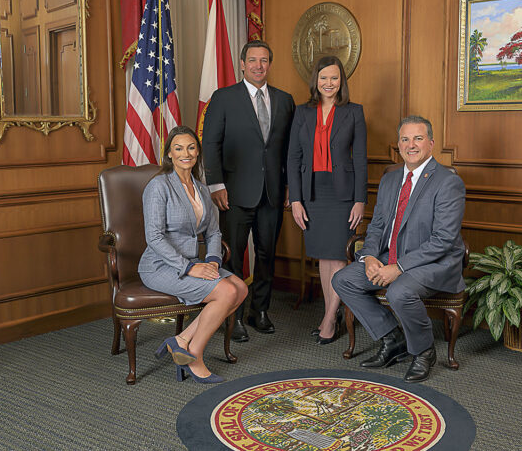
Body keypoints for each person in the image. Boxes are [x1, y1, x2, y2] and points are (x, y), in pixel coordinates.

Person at [332, 116, 466, 382]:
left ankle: (424, 351)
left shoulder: (447, 182)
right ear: (398, 144)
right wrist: (369, 256)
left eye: (418, 138)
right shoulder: (391, 180)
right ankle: (392, 338)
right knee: (343, 279)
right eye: (405, 139)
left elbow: (443, 240)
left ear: (431, 143)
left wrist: (399, 267)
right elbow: (378, 226)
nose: (411, 145)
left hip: (434, 263)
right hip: (389, 257)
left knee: (400, 291)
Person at [139, 126, 248, 384]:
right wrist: (189, 268)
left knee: (241, 289)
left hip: (195, 262)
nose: (185, 153)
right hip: (159, 266)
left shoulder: (200, 188)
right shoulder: (158, 186)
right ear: (169, 154)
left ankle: (180, 340)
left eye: (190, 147)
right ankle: (194, 355)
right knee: (227, 292)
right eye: (178, 148)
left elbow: (212, 232)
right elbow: (154, 237)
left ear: (197, 152)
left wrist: (211, 261)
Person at [202, 40, 295, 343]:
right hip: (234, 193)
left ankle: (260, 311)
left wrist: (290, 187)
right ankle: (234, 316)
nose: (258, 65)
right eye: (252, 60)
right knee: (234, 256)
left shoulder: (284, 100)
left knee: (267, 254)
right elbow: (211, 143)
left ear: (270, 64)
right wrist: (216, 184)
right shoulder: (224, 98)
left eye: (264, 60)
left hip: (272, 193)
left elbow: (290, 150)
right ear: (242, 64)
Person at [287, 56, 367, 345]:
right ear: (315, 81)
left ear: (341, 81)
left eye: (334, 78)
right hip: (312, 194)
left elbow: (359, 158)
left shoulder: (354, 112)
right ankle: (330, 312)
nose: (329, 83)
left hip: (343, 195)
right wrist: (295, 199)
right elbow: (293, 157)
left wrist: (360, 200)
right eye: (323, 78)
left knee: (337, 256)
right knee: (324, 256)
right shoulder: (302, 112)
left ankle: (329, 318)